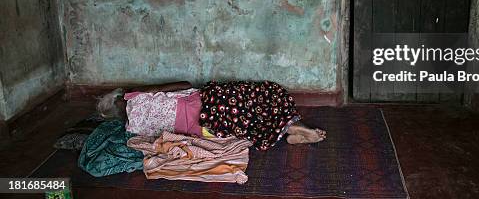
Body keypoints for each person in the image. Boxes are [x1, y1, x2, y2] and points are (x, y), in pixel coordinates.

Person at [97, 80, 326, 150]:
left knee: (244, 121)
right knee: (265, 93)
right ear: (119, 98)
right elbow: (184, 83)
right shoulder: (135, 96)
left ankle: (288, 130)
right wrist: (149, 91)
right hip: (205, 102)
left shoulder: (133, 129)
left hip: (206, 129)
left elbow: (160, 135)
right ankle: (293, 125)